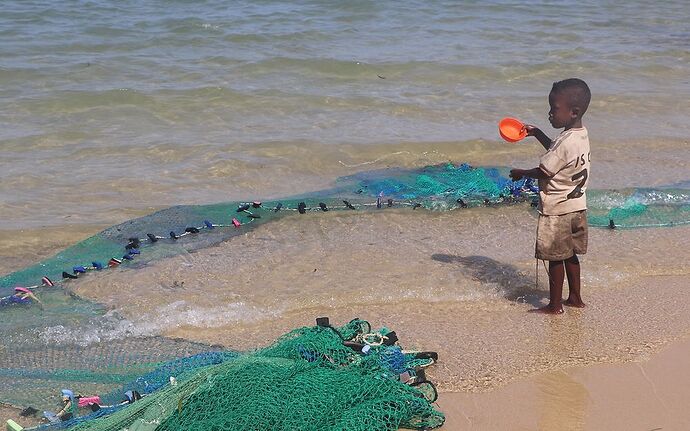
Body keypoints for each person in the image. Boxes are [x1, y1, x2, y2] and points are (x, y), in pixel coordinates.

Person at [509, 78, 591, 314]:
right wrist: (537, 134)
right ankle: (575, 297)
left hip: (558, 210)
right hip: (577, 206)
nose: (549, 114)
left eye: (554, 109)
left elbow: (544, 170)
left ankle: (554, 306)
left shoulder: (564, 143)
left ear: (573, 112)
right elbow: (557, 151)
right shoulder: (580, 135)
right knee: (571, 255)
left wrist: (521, 173)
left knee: (556, 257)